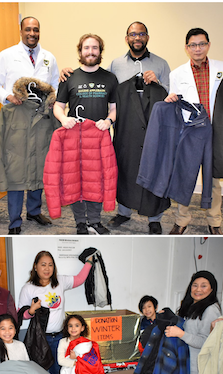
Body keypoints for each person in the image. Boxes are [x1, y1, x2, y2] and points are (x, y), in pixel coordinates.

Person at [61, 22, 170, 233]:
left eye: (140, 34)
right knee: (124, 167)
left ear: (147, 37)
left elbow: (170, 93)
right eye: (132, 34)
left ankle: (154, 218)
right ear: (126, 38)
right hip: (125, 125)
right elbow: (99, 80)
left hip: (153, 126)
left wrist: (159, 83)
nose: (136, 38)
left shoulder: (161, 64)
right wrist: (67, 72)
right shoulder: (116, 65)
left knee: (153, 168)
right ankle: (123, 212)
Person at [166, 28, 223, 236]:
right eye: (193, 45)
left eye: (202, 44)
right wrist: (170, 98)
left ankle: (214, 221)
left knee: (214, 180)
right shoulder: (177, 74)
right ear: (187, 48)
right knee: (185, 177)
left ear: (208, 45)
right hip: (190, 132)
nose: (198, 48)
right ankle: (182, 219)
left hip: (216, 132)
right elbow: (175, 101)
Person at [0, 17, 59, 233]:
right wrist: (8, 97)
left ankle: (34, 211)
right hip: (17, 113)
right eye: (28, 29)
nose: (32, 33)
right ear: (20, 31)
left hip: (41, 116)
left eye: (36, 30)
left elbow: (56, 84)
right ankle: (14, 220)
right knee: (17, 166)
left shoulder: (49, 57)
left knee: (38, 161)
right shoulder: (6, 55)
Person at [53, 33, 118, 235]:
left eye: (95, 48)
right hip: (75, 141)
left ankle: (95, 221)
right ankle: (81, 222)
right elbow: (58, 106)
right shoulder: (69, 77)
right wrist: (64, 120)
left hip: (99, 140)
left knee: (97, 181)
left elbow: (115, 108)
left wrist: (108, 121)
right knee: (75, 181)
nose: (91, 52)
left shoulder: (110, 78)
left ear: (100, 51)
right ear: (80, 51)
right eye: (87, 48)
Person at [19, 251, 93, 374]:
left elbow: (79, 279)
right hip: (39, 338)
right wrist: (31, 310)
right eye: (43, 264)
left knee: (58, 373)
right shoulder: (28, 288)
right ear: (35, 267)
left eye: (50, 264)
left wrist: (89, 262)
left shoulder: (60, 282)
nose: (47, 268)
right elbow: (20, 314)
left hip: (60, 337)